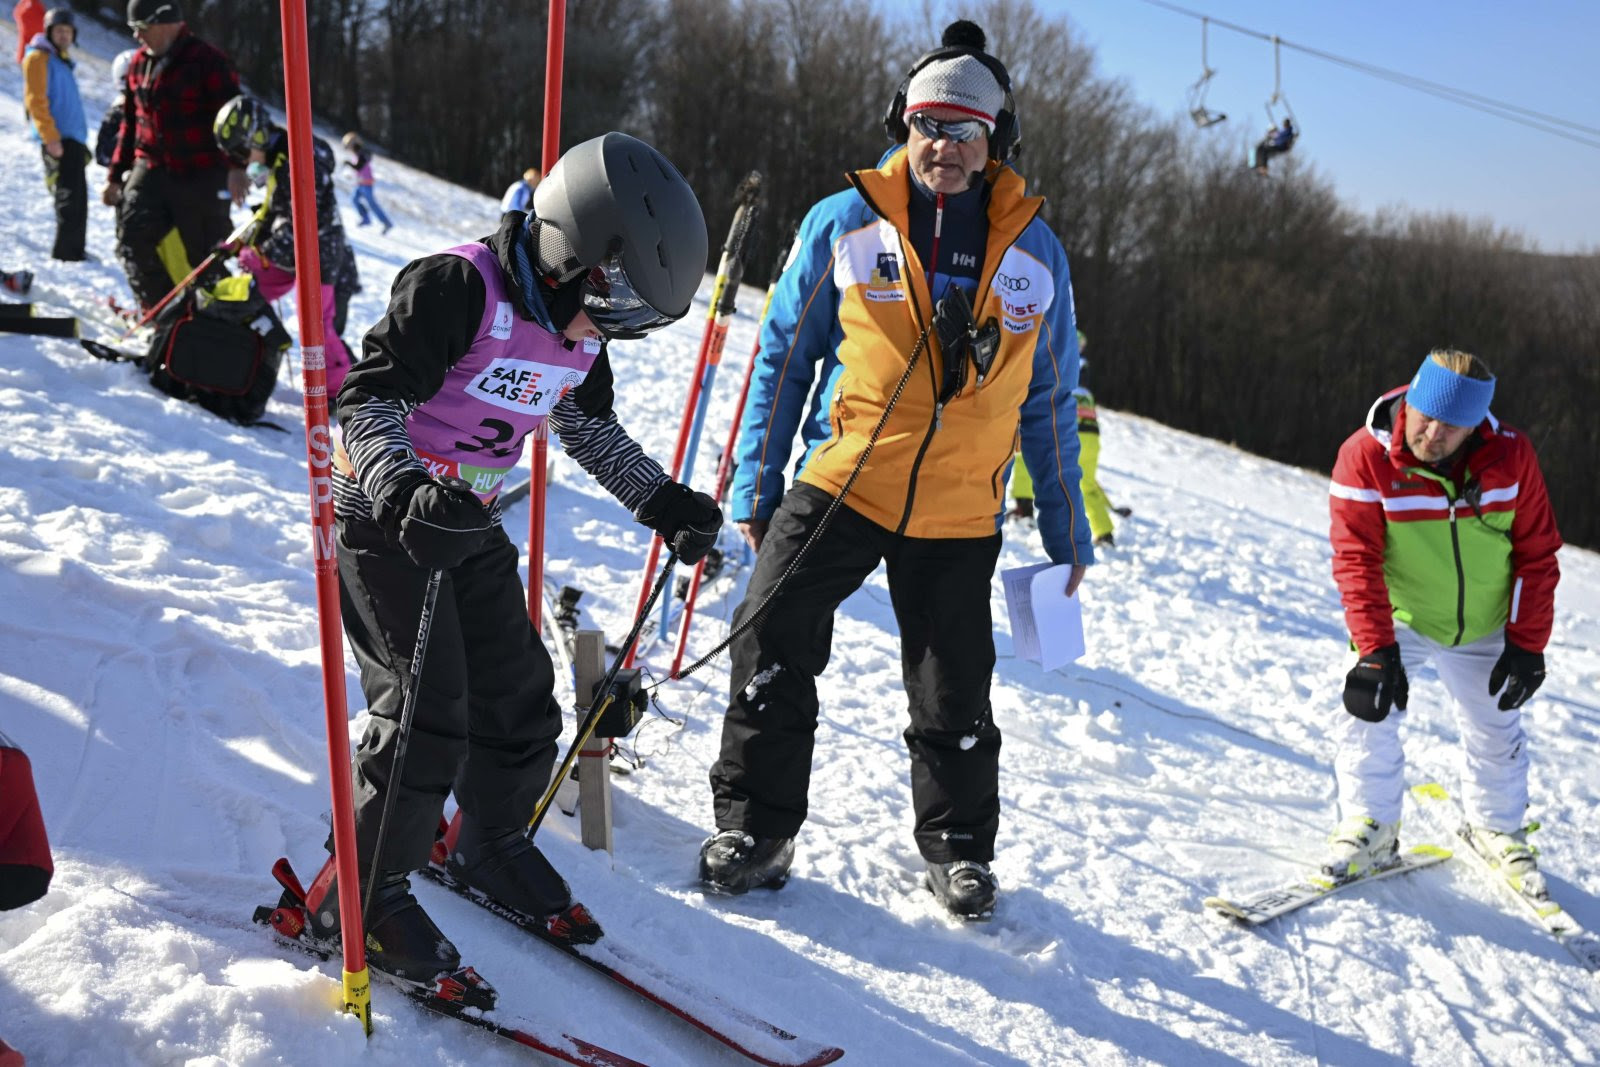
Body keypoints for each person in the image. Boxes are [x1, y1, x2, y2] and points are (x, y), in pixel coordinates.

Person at [698, 20, 1093, 920]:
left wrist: (1067, 533)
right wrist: (759, 486)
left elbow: (1050, 402)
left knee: (955, 682)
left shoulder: (1037, 254)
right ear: (901, 124)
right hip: (847, 477)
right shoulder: (845, 221)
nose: (941, 147)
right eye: (926, 126)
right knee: (770, 634)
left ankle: (958, 848)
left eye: (963, 132)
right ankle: (758, 825)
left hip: (961, 507)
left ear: (996, 143)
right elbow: (783, 359)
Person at [315, 132, 718, 987]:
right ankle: (361, 893)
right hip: (387, 520)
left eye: (631, 324)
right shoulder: (460, 287)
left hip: (467, 524)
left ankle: (485, 842)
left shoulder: (580, 330)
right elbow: (367, 398)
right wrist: (401, 491)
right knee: (427, 711)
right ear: (573, 253)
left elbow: (584, 424)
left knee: (520, 700)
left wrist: (658, 497)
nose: (606, 334)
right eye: (612, 309)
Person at [1324, 349, 1562, 896]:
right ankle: (1371, 826)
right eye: (1426, 416)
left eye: (1453, 427)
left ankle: (1498, 828)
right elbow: (1355, 559)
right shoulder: (1365, 456)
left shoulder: (1512, 457)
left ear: (1476, 426)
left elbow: (1537, 554)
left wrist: (1527, 644)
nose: (1433, 434)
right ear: (1410, 400)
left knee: (1496, 727)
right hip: (1400, 616)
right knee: (1365, 710)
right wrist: (1374, 649)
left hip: (1483, 622)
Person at [103, 0, 247, 312]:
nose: (138, 38)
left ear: (166, 22)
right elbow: (131, 123)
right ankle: (164, 317)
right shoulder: (139, 63)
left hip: (201, 173)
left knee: (206, 258)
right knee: (132, 239)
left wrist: (237, 166)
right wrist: (115, 176)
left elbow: (236, 118)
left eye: (142, 29)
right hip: (152, 167)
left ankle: (219, 327)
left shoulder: (207, 61)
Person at [213, 95, 355, 398]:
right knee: (247, 290)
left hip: (320, 257)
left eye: (241, 152)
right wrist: (240, 242)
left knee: (315, 325)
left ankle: (341, 390)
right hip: (290, 256)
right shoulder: (278, 158)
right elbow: (271, 212)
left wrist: (260, 253)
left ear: (257, 136)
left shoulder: (298, 163)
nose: (242, 161)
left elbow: (301, 228)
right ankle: (240, 350)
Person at [21, 7, 87, 261]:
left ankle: (76, 250)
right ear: (48, 31)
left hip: (73, 139)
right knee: (68, 199)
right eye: (59, 31)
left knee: (79, 199)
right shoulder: (38, 57)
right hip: (58, 140)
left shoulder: (61, 60)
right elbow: (35, 101)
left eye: (68, 31)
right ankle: (66, 254)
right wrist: (50, 137)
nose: (64, 36)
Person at [341, 132, 392, 234]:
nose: (348, 149)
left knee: (372, 204)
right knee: (354, 199)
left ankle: (387, 223)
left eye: (349, 146)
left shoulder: (362, 154)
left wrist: (348, 163)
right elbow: (358, 169)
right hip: (360, 183)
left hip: (366, 184)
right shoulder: (357, 154)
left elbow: (359, 166)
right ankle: (366, 218)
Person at [11, 0, 42, 64]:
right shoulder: (29, 3)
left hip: (33, 40)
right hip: (30, 38)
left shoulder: (31, 4)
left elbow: (17, 13)